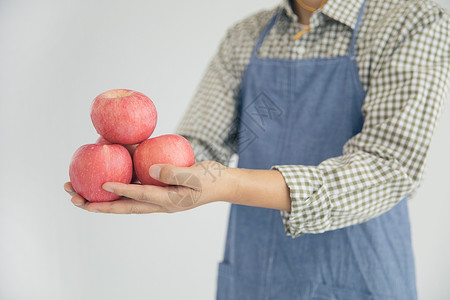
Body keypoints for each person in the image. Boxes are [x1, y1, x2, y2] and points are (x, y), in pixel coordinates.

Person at [64, 0, 450, 298]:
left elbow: (390, 167)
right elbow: (200, 145)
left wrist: (226, 184)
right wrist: (131, 163)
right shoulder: (246, 36)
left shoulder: (412, 22)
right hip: (253, 272)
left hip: (358, 273)